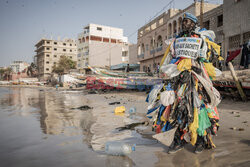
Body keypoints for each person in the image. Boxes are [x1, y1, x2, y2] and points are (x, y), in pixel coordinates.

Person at [146, 12, 222, 154]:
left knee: (198, 107)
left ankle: (200, 141)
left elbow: (204, 57)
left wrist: (196, 65)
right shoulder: (176, 41)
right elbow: (171, 57)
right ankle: (178, 140)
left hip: (195, 78)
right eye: (183, 22)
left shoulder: (200, 39)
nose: (184, 24)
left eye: (188, 22)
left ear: (193, 24)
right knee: (176, 107)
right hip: (178, 78)